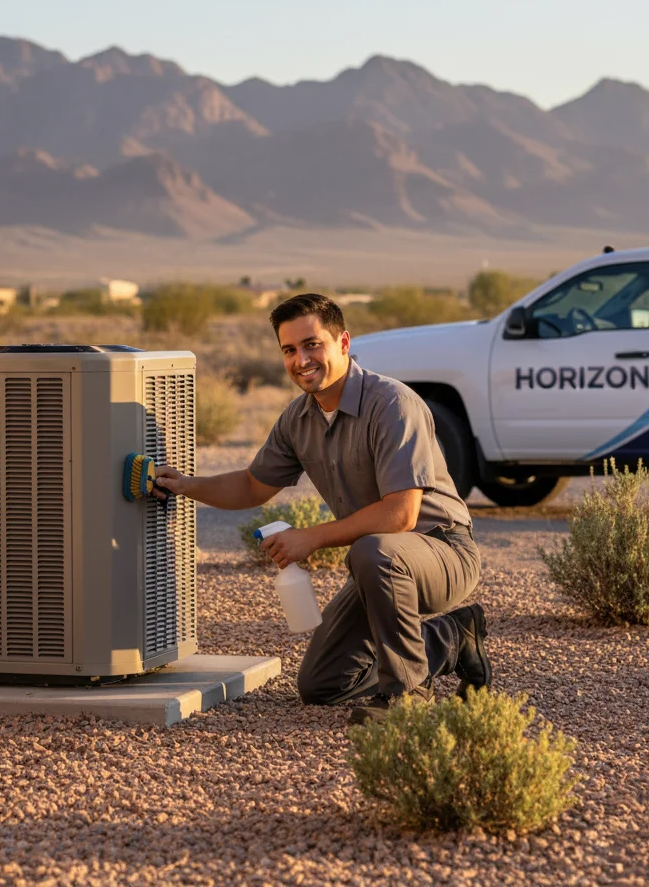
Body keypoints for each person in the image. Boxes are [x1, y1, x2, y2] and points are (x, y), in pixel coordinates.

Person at [154, 292, 492, 724]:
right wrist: (186, 486)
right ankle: (452, 638)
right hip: (381, 567)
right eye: (289, 350)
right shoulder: (298, 420)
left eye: (312, 344)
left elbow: (401, 516)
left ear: (343, 343)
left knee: (372, 551)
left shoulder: (392, 405)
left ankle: (407, 697)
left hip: (442, 552)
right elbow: (251, 485)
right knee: (324, 683)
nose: (301, 360)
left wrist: (309, 538)